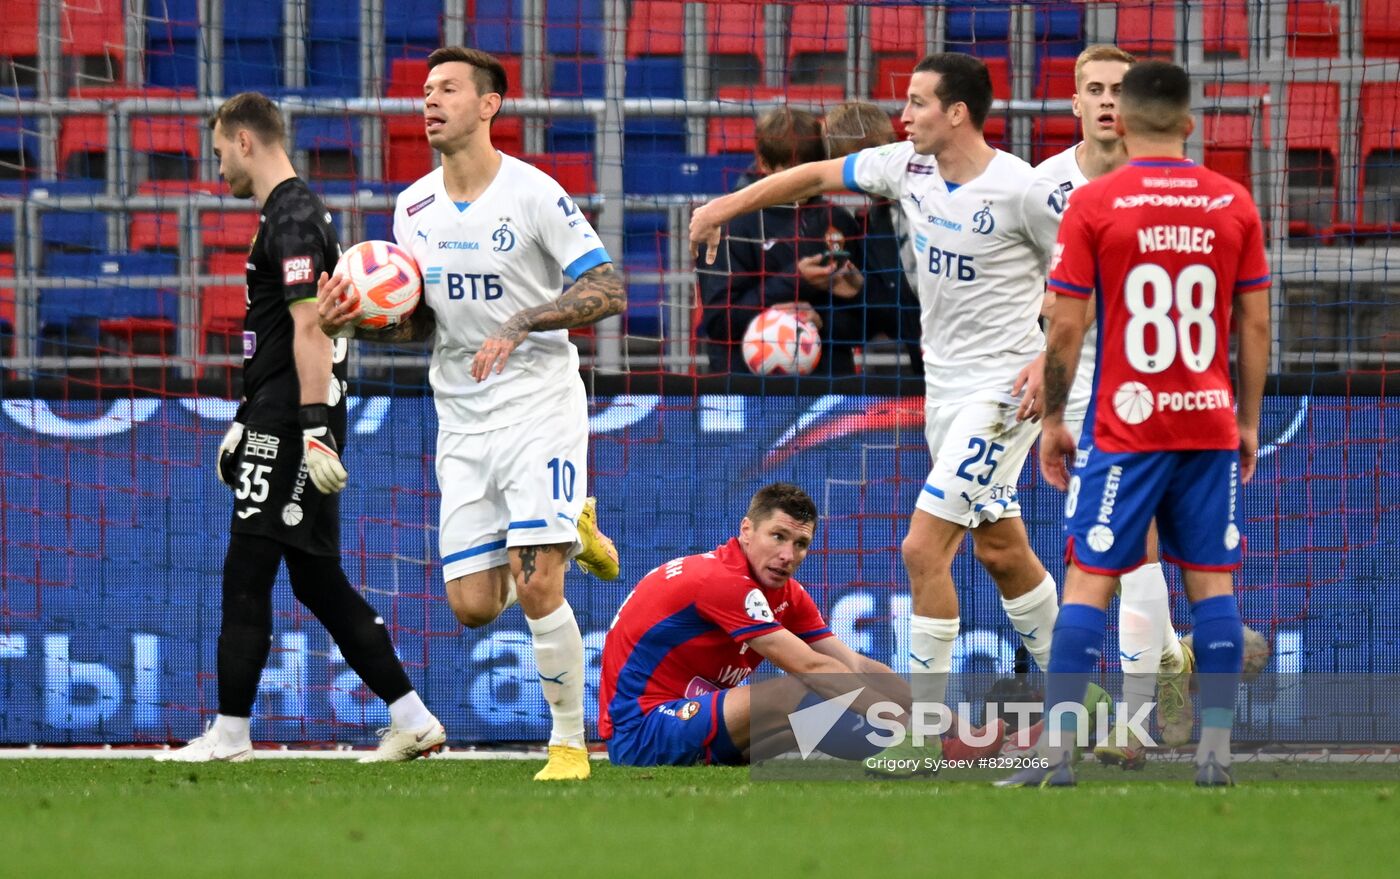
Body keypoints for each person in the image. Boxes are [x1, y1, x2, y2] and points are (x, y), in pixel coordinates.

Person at [692, 53, 1097, 763]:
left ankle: (924, 734)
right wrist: (726, 204)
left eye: (915, 103)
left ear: (958, 114)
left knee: (920, 548)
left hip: (1004, 392)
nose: (901, 116)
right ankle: (1084, 699)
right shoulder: (905, 167)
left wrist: (1044, 360)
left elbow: (1077, 281)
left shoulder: (1024, 191)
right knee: (1001, 550)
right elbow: (815, 176)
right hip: (944, 391)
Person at [316, 47, 623, 781]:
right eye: (425, 91)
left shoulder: (535, 193)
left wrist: (522, 322)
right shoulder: (412, 207)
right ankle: (565, 522)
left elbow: (609, 290)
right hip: (459, 417)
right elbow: (422, 320)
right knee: (474, 605)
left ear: (489, 105)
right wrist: (360, 319)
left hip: (538, 407)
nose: (430, 101)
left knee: (538, 582)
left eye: (448, 89)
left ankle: (570, 745)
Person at [999, 61, 1271, 787]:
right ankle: (1213, 753)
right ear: (1188, 123)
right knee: (1211, 584)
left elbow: (1065, 326)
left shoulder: (1096, 203)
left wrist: (1054, 420)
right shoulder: (1232, 202)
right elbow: (1256, 321)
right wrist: (1246, 420)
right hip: (1209, 420)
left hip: (1126, 424)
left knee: (1090, 578)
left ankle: (1057, 755)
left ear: (1126, 118)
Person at [159, 92, 444, 764]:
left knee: (246, 573)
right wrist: (242, 417)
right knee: (317, 580)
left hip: (290, 421)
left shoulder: (290, 215)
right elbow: (285, 331)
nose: (218, 166)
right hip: (279, 415)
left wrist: (309, 426)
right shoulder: (295, 212)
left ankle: (230, 733)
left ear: (244, 139)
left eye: (220, 150)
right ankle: (414, 717)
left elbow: (312, 326)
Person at [599, 483, 918, 766]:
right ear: (747, 530)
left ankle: (938, 750)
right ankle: (919, 745)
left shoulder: (787, 593)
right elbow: (811, 667)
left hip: (697, 730)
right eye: (778, 536)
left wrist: (949, 725)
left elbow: (856, 664)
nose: (787, 555)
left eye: (801, 543)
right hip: (640, 733)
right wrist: (908, 726)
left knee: (818, 718)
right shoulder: (720, 580)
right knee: (801, 690)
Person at [696, 107, 865, 375]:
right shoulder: (726, 223)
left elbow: (866, 322)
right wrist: (796, 280)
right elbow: (719, 323)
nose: (801, 183)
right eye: (791, 172)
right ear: (764, 163)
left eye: (809, 172)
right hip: (744, 389)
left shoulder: (839, 222)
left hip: (829, 389)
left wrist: (823, 320)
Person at [822, 101, 922, 372]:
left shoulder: (935, 190)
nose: (862, 181)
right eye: (853, 172)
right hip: (925, 365)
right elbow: (890, 315)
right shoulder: (870, 226)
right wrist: (860, 290)